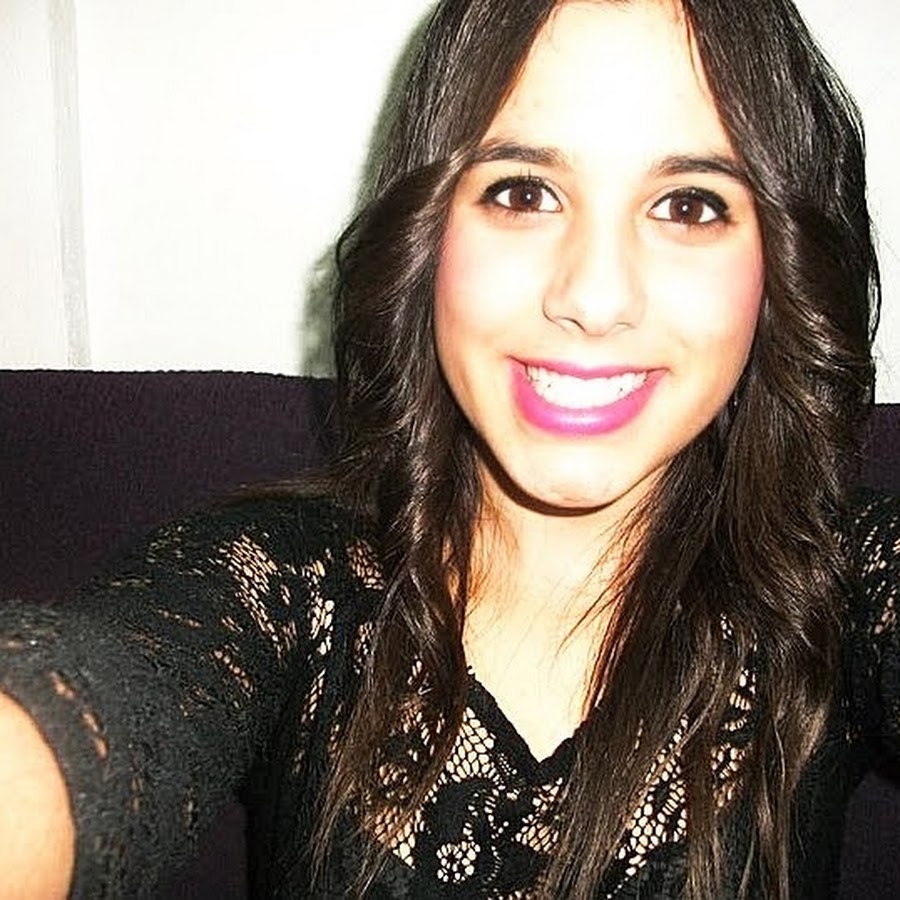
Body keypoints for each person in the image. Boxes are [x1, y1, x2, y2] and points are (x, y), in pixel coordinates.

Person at [0, 0, 896, 897]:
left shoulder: (836, 589)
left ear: (781, 260)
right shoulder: (286, 588)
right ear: (427, 233)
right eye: (523, 193)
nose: (593, 298)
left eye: (688, 205)